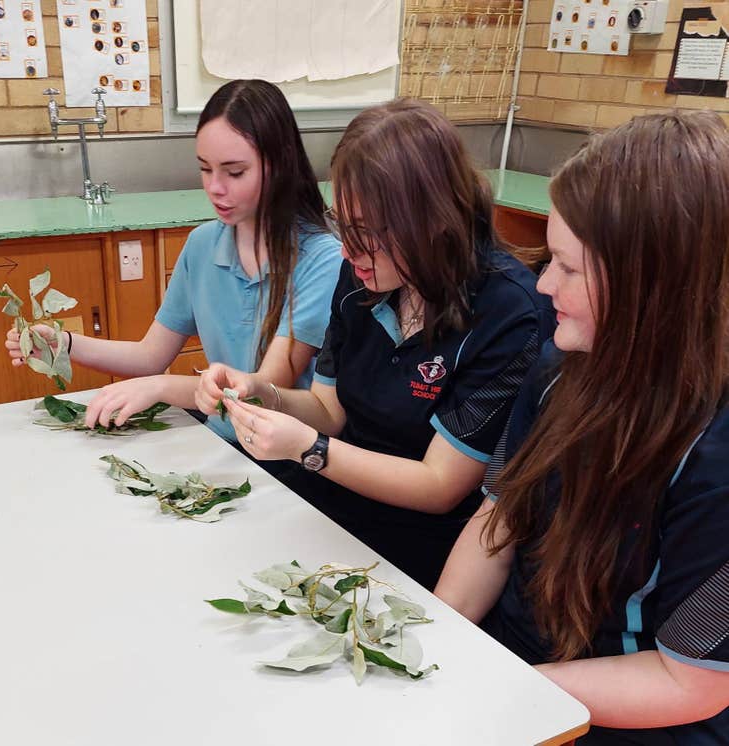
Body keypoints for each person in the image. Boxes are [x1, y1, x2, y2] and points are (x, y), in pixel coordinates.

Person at [435, 111, 729, 743]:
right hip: (520, 669)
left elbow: (691, 682)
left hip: (624, 717)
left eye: (569, 269)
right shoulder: (560, 368)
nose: (543, 286)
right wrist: (440, 637)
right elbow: (499, 515)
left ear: (653, 286)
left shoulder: (715, 458)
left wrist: (503, 685)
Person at [195, 98, 555, 589]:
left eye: (365, 232)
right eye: (343, 224)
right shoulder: (362, 275)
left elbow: (439, 486)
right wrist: (264, 393)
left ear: (431, 221)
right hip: (330, 501)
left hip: (418, 542)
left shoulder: (508, 314)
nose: (348, 250)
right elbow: (330, 407)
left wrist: (311, 450)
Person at [5, 80, 342, 440]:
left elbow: (256, 395)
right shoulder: (201, 245)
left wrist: (161, 387)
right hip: (220, 443)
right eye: (205, 168)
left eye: (235, 172)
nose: (215, 187)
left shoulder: (322, 258)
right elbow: (150, 355)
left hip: (283, 456)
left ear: (279, 166)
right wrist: (66, 343)